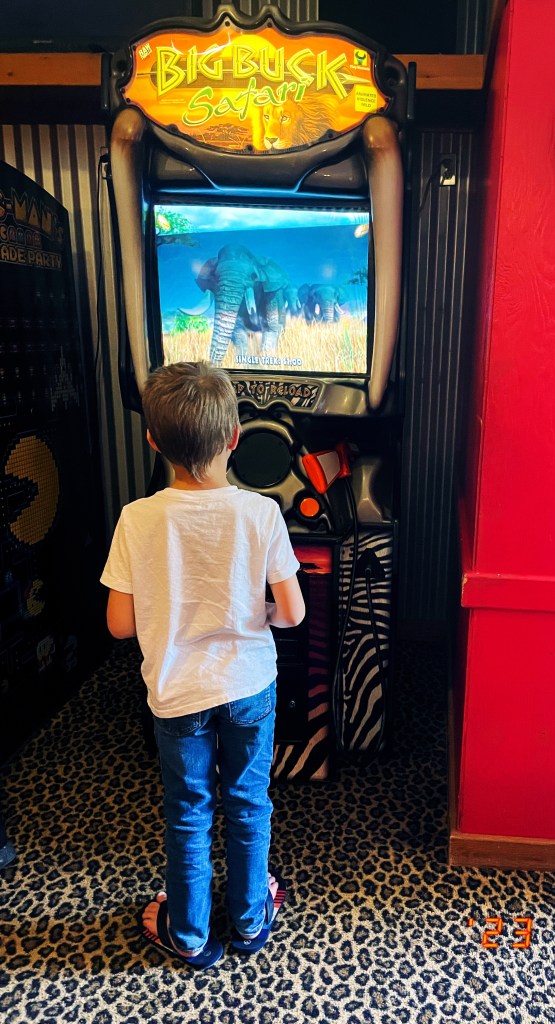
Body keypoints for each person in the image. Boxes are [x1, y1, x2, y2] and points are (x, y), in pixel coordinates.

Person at [100, 361, 305, 969]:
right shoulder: (261, 513)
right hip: (249, 686)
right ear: (235, 437)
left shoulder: (136, 519)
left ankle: (189, 934)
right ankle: (249, 920)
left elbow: (119, 624)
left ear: (152, 440)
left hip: (177, 693)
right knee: (249, 802)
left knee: (188, 812)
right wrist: (254, 614)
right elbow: (292, 613)